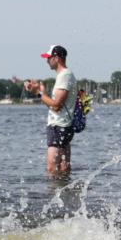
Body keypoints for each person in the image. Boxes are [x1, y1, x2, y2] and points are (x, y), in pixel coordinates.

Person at [25, 45, 77, 178]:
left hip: (58, 127)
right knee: (63, 166)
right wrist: (42, 92)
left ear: (57, 58)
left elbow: (56, 106)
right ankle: (64, 193)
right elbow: (55, 105)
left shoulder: (64, 76)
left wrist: (37, 93)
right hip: (64, 125)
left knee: (52, 167)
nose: (47, 61)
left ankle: (53, 194)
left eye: (49, 58)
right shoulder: (65, 75)